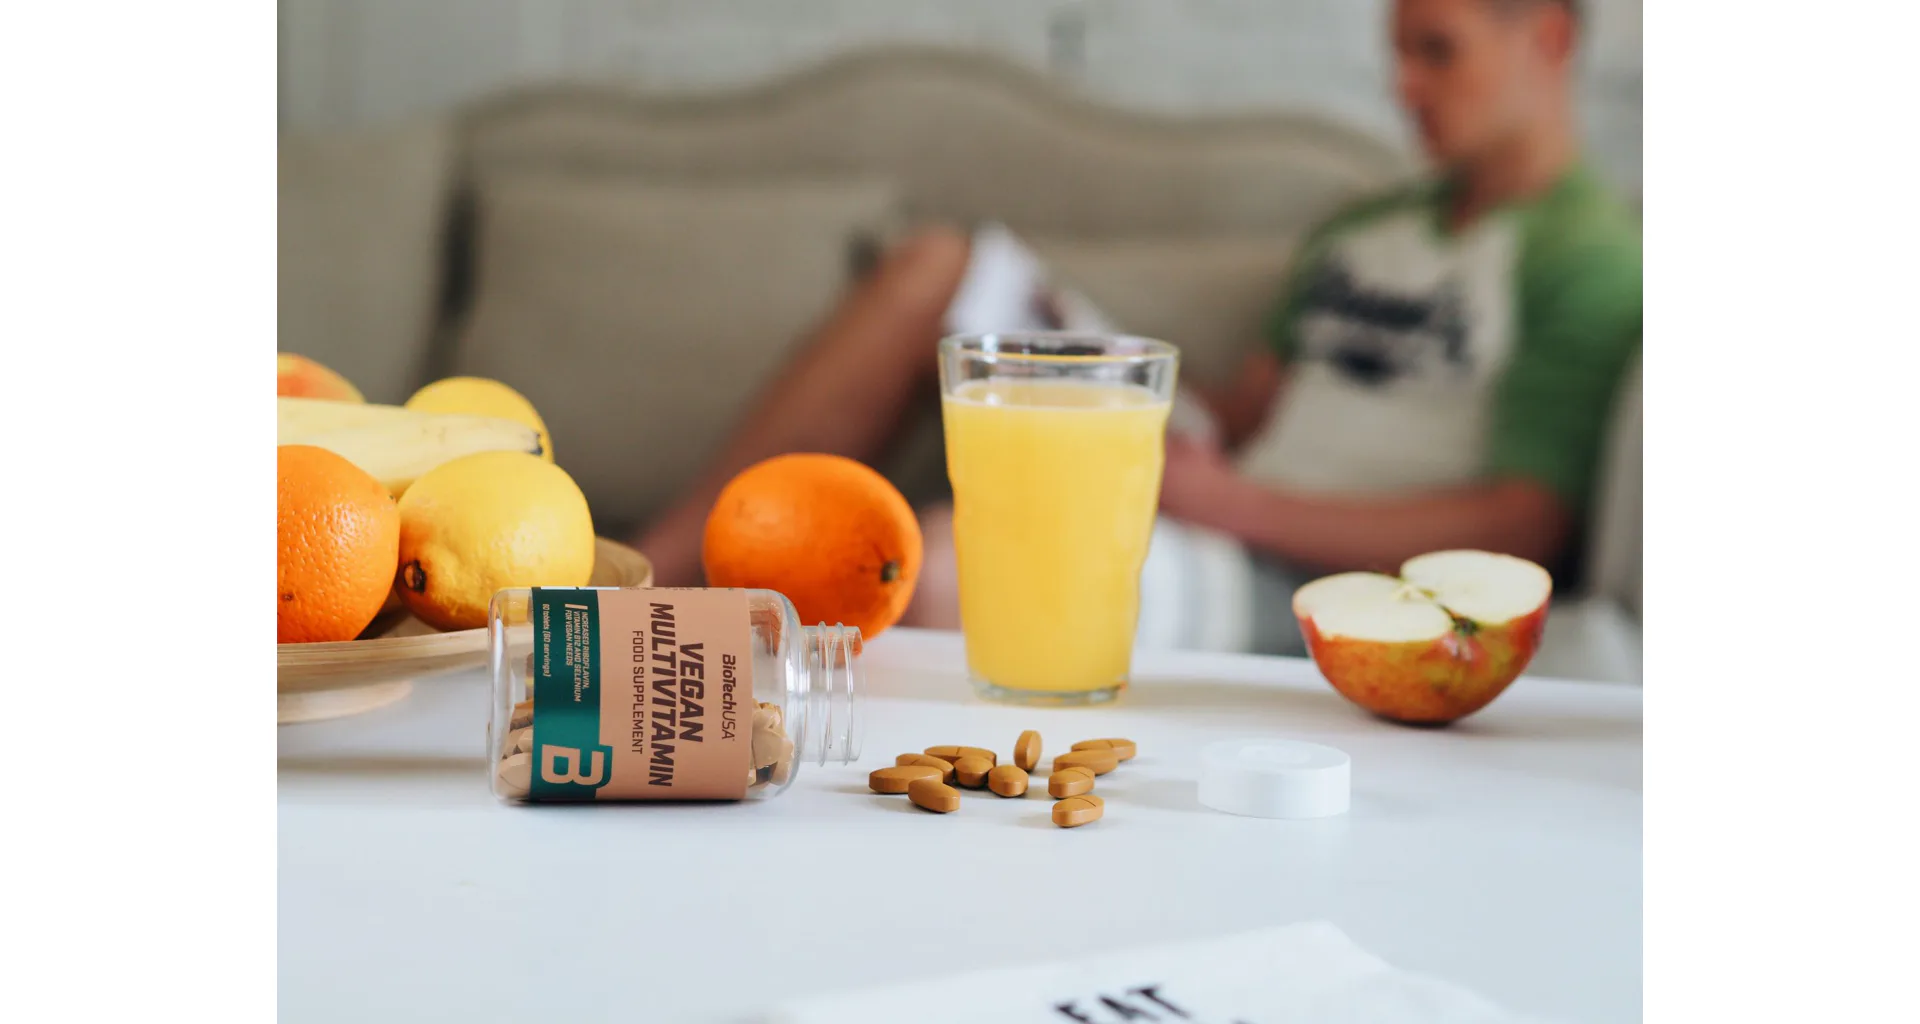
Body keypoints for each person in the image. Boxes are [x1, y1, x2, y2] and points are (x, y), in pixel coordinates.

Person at [637, 0, 1641, 655]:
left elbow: (1523, 526)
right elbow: (1249, 416)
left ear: (1547, 36)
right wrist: (1120, 400)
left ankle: (689, 674)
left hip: (1306, 570)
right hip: (1217, 493)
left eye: (1437, 51)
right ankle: (639, 581)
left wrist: (1232, 506)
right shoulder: (1363, 232)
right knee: (939, 266)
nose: (1403, 86)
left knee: (945, 569)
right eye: (1398, 51)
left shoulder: (1587, 260)